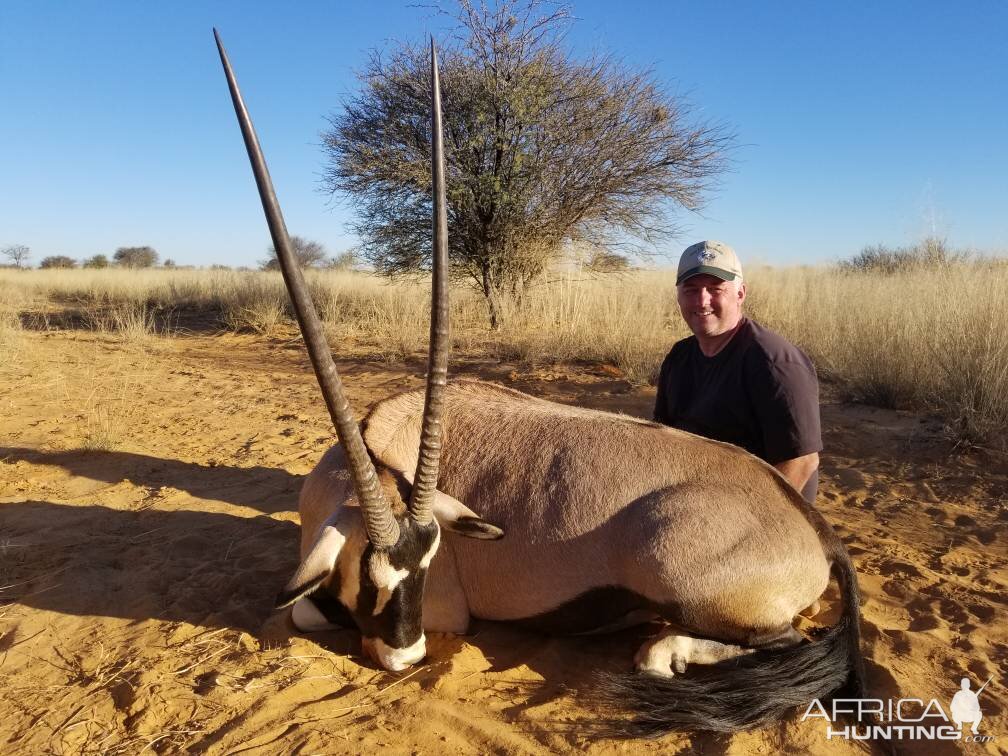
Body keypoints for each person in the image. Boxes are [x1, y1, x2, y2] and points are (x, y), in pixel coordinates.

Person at [653, 240, 822, 502]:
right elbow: (662, 436)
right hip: (694, 503)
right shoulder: (679, 356)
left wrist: (747, 522)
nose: (702, 300)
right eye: (691, 289)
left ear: (740, 293)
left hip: (761, 515)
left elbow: (802, 462)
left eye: (715, 288)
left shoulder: (774, 362)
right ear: (678, 296)